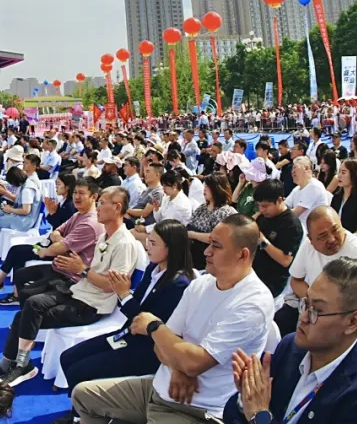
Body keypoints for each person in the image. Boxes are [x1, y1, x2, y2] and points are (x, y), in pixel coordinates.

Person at [69, 215, 276, 423]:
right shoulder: (201, 284)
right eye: (209, 243)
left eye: (216, 246)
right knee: (83, 395)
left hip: (196, 408)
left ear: (242, 254)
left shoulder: (252, 304)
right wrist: (179, 366)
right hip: (159, 388)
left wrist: (153, 325)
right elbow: (162, 345)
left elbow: (191, 360)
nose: (206, 251)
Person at [0, 187, 138, 388]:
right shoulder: (105, 237)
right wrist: (80, 269)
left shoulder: (125, 244)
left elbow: (112, 286)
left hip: (92, 306)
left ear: (117, 207)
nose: (97, 207)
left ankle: (21, 364)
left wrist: (82, 270)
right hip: (80, 292)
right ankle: (11, 362)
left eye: (102, 203)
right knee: (27, 309)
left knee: (31, 307)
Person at [223, 257, 357, 424]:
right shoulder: (291, 345)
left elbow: (258, 413)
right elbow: (233, 413)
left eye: (317, 310)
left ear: (352, 322)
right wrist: (246, 398)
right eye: (305, 303)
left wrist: (259, 417)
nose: (303, 317)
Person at [56, 219, 195, 399]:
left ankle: (83, 410)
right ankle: (80, 407)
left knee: (78, 371)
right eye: (148, 240)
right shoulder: (153, 268)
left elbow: (146, 324)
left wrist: (123, 294)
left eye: (153, 243)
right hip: (127, 334)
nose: (147, 246)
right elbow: (136, 304)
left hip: (146, 348)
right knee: (67, 357)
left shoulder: (178, 285)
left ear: (171, 248)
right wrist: (123, 292)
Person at [0, 177, 102, 303]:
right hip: (54, 248)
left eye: (81, 193)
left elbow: (60, 245)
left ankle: (8, 289)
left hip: (63, 260)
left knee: (19, 253)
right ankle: (4, 285)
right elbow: (56, 231)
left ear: (94, 197)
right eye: (75, 192)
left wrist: (57, 240)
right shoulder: (77, 213)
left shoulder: (81, 216)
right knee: (17, 252)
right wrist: (58, 234)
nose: (77, 196)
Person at [274, 205, 357, 336]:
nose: (331, 239)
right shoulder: (308, 247)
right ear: (311, 239)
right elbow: (296, 281)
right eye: (323, 236)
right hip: (310, 303)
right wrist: (313, 300)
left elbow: (352, 297)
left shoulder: (356, 251)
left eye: (335, 230)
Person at [252, 178, 304, 298]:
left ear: (279, 200)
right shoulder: (263, 216)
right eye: (259, 206)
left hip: (271, 282)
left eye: (265, 206)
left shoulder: (291, 225)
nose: (261, 210)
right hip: (253, 272)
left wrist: (263, 241)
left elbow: (286, 260)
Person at [185, 173, 238, 270]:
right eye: (204, 185)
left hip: (207, 258)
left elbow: (217, 237)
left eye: (208, 186)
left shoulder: (225, 212)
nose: (204, 189)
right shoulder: (202, 207)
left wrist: (193, 235)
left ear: (217, 189)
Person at [287, 156, 332, 226]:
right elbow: (284, 206)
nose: (292, 171)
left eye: (295, 167)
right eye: (292, 169)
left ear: (306, 168)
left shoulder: (314, 186)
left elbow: (295, 213)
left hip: (313, 231)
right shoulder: (296, 189)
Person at [330, 158, 357, 234]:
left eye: (343, 172)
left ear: (354, 175)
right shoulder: (336, 197)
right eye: (339, 172)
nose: (339, 176)